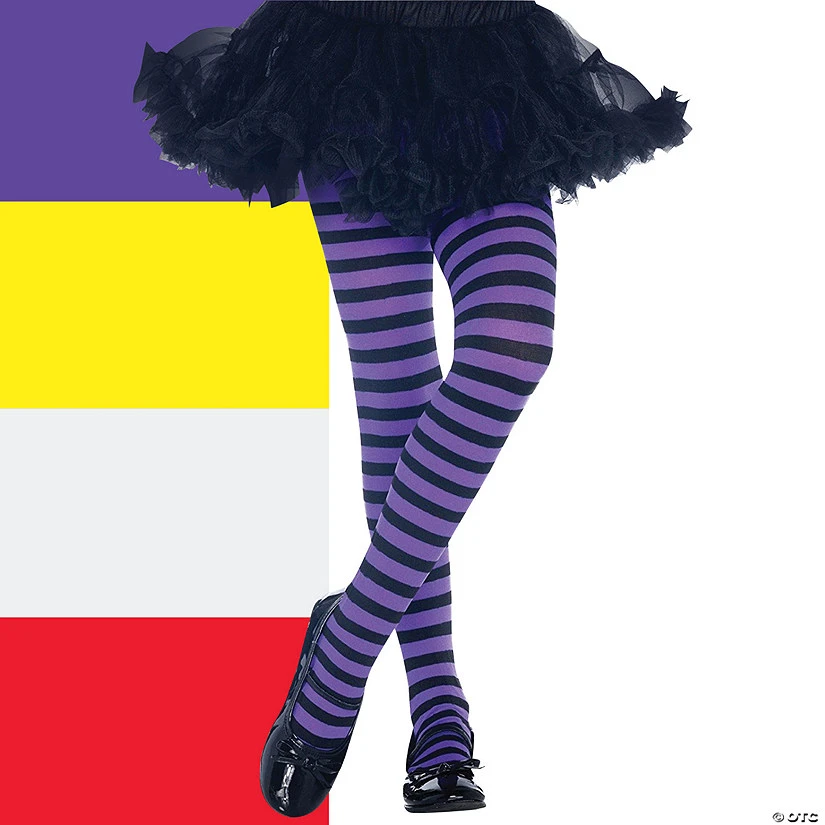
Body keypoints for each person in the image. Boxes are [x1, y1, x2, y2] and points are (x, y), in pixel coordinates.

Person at [132, 1, 692, 816]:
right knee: (395, 395)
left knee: (511, 344)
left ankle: (342, 648)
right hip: (347, 70)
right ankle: (438, 710)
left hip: (489, 71)